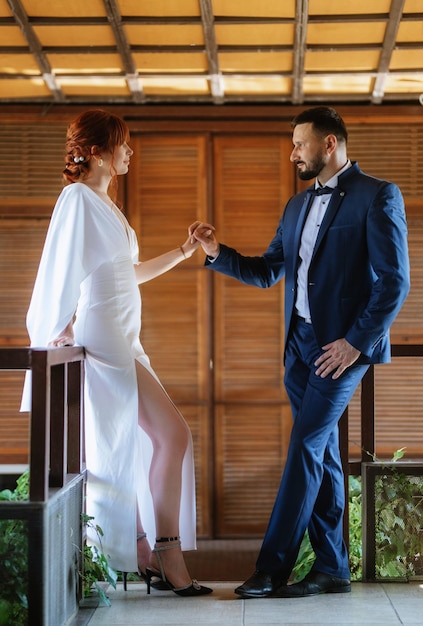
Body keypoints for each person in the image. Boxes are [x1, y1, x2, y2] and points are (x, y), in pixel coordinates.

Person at [189, 106, 410, 598]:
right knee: (325, 453)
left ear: (329, 145)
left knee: (306, 446)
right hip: (299, 349)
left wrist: (355, 343)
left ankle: (271, 567)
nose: (293, 153)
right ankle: (332, 567)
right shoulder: (295, 206)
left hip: (341, 350)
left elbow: (395, 284)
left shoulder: (378, 196)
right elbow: (267, 270)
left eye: (300, 144)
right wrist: (214, 252)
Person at [22, 109, 212, 597]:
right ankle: (163, 553)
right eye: (123, 144)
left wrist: (183, 252)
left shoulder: (108, 205)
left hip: (127, 335)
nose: (130, 152)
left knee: (149, 440)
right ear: (100, 150)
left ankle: (144, 545)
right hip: (105, 335)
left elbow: (130, 274)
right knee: (172, 435)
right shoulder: (77, 198)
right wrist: (59, 325)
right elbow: (59, 268)